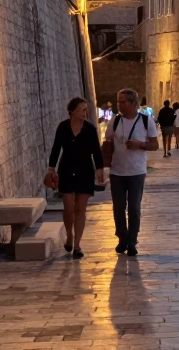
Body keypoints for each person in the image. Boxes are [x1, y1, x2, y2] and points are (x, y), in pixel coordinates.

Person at [46, 97, 105, 258]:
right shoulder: (63, 127)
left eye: (86, 110)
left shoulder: (90, 129)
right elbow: (56, 148)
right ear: (72, 111)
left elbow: (96, 150)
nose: (85, 113)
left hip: (85, 170)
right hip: (66, 169)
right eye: (82, 110)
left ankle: (77, 244)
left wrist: (100, 169)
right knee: (68, 207)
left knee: (80, 209)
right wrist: (51, 167)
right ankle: (69, 235)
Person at [105, 88, 159, 256]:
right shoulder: (114, 121)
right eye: (118, 101)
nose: (119, 105)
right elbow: (107, 143)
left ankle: (132, 240)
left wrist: (139, 145)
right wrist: (104, 166)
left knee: (134, 207)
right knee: (118, 207)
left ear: (134, 104)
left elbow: (155, 145)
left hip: (137, 171)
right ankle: (122, 238)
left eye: (123, 102)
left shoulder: (145, 120)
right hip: (117, 171)